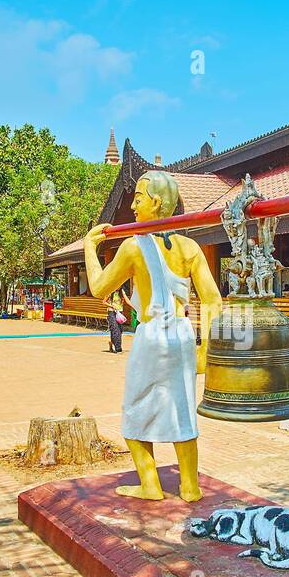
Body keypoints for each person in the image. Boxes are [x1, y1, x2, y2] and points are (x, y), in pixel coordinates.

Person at [84, 170, 223, 502]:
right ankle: (189, 486)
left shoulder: (134, 247)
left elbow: (100, 287)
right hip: (183, 336)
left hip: (152, 337)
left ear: (156, 203)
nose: (133, 206)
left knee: (134, 410)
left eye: (139, 198)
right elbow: (213, 300)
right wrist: (208, 348)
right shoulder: (190, 248)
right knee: (182, 411)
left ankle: (150, 484)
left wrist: (90, 247)